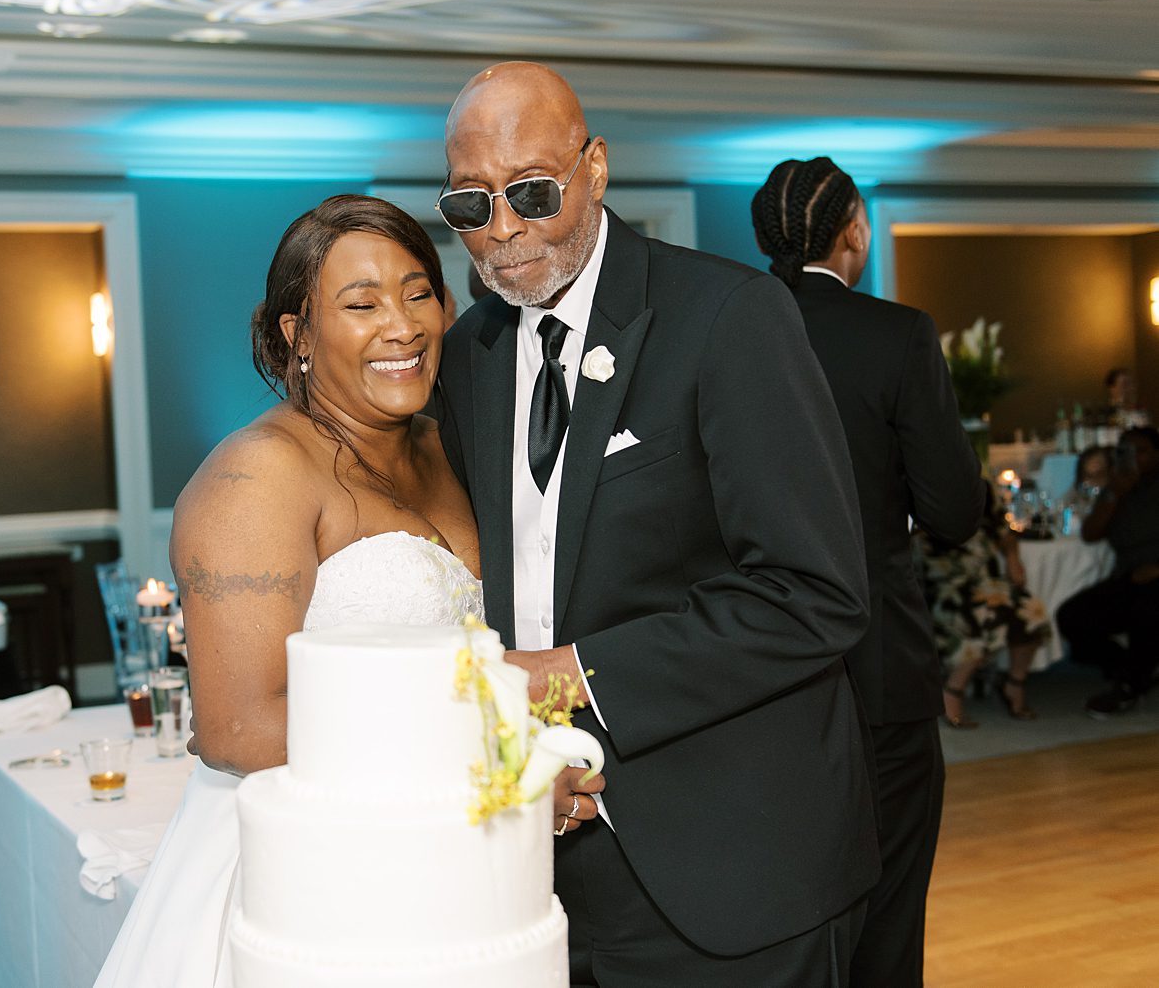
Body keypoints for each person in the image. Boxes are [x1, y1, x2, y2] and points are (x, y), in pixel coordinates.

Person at [435, 63, 878, 987]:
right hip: (540, 863)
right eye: (470, 206)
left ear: (594, 167)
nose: (503, 230)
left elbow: (815, 594)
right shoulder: (470, 355)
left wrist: (570, 680)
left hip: (735, 870)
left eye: (531, 192)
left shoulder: (727, 316)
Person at [94, 195, 605, 988]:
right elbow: (237, 727)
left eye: (418, 292)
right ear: (297, 334)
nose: (401, 326)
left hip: (455, 866)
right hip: (311, 870)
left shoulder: (454, 445)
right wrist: (499, 773)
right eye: (360, 304)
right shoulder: (254, 477)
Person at [751, 155, 985, 987]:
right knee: (886, 909)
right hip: (878, 662)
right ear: (854, 230)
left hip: (755, 675)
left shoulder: (727, 327)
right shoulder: (898, 334)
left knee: (785, 903)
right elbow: (956, 511)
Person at [918, 484, 1052, 725]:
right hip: (943, 585)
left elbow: (1005, 531)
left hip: (986, 583)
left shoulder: (983, 490)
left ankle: (1014, 684)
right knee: (981, 616)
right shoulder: (922, 490)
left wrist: (1013, 559)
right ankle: (952, 691)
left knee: (1032, 614)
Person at [1058, 425, 1159, 717]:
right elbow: (1091, 533)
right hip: (1129, 577)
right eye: (1125, 451)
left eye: (1141, 451)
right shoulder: (1119, 488)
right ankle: (1128, 667)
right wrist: (1115, 493)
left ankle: (1128, 686)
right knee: (1073, 616)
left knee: (1147, 611)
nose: (1133, 458)